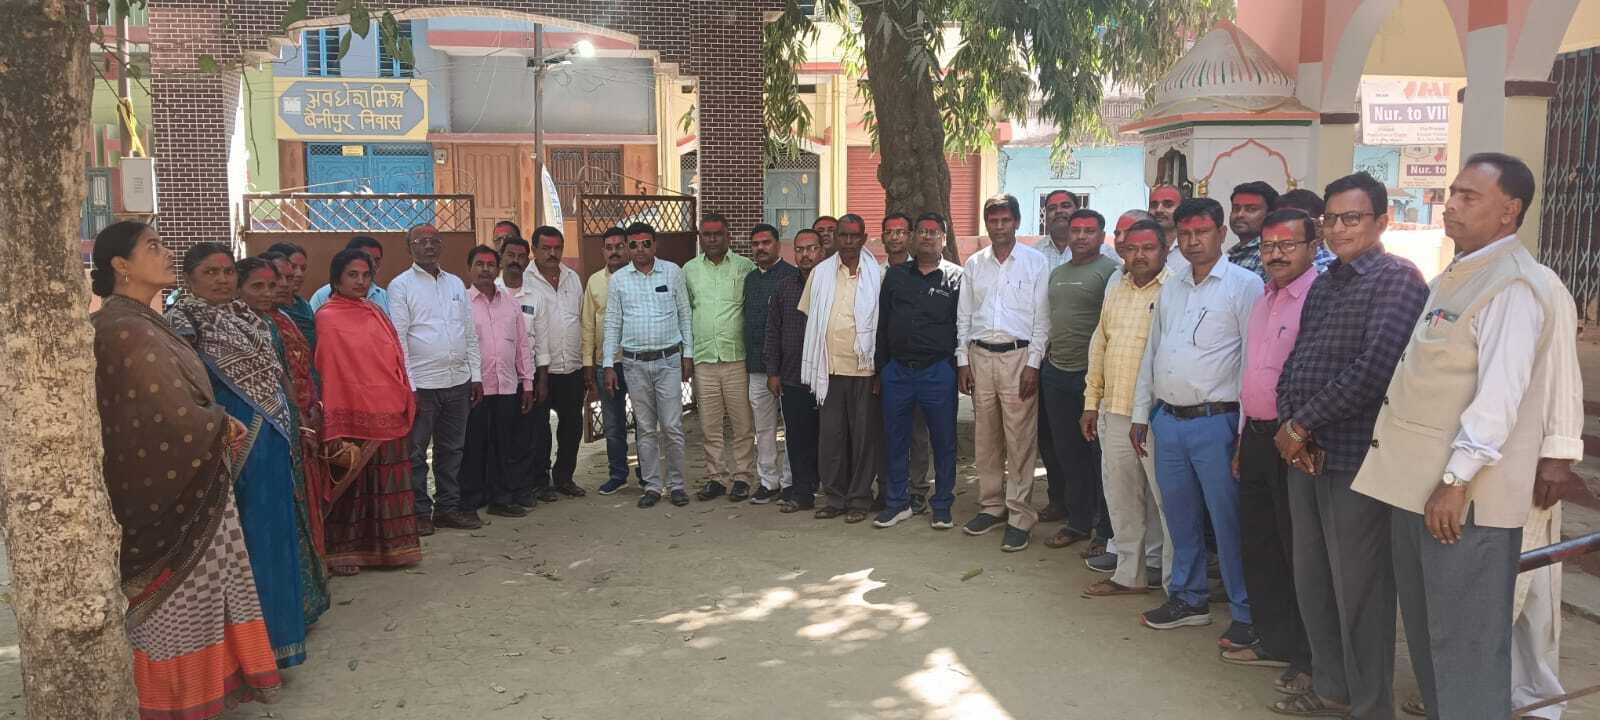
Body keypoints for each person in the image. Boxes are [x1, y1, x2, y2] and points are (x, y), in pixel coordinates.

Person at [1352, 153, 1581, 720]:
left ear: (1510, 210)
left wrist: (1456, 481)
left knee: (1466, 645)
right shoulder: (1457, 276)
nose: (1450, 205)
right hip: (1416, 489)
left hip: (1462, 501)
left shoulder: (1515, 286)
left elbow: (1499, 397)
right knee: (1431, 637)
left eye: (1468, 196)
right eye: (1452, 192)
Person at [90, 221, 282, 719]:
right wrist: (218, 423)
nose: (167, 252)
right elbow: (161, 414)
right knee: (179, 600)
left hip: (193, 476)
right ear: (121, 265)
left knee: (205, 594)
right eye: (153, 246)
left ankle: (201, 691)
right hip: (162, 490)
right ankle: (171, 699)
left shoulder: (144, 320)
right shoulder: (124, 328)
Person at [1269, 171, 1428, 718]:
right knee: (1313, 581)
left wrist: (1302, 424)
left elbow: (1376, 368)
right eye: (1330, 219)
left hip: (1358, 458)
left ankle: (1370, 704)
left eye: (1351, 218)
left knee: (1361, 590)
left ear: (1382, 221)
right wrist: (1291, 425)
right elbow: (1297, 361)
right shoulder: (1326, 282)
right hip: (1307, 456)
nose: (1338, 229)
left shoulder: (1396, 280)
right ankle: (1331, 687)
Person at [166, 245, 310, 668]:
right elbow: (185, 388)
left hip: (272, 437)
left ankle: (279, 644)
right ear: (189, 278)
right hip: (229, 442)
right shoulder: (183, 320)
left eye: (228, 271)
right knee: (237, 544)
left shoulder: (248, 317)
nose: (222, 279)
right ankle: (241, 656)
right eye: (210, 272)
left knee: (273, 537)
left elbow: (277, 376)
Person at [1130, 197, 1262, 644]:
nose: (1192, 241)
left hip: (1217, 422)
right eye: (1184, 234)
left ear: (1220, 234)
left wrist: (1243, 433)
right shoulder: (1173, 286)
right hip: (1169, 421)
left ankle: (1246, 611)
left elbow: (1251, 361)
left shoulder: (1244, 286)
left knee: (1228, 523)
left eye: (1201, 232)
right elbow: (1153, 351)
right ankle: (1188, 600)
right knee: (1179, 517)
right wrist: (1142, 413)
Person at [1223, 209, 1319, 690]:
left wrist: (1300, 432)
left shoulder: (1317, 298)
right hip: (1257, 435)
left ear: (1312, 247)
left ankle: (1310, 655)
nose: (1276, 254)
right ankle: (1274, 640)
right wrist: (1243, 439)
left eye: (1287, 244)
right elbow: (1252, 374)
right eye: (1268, 246)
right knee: (1260, 544)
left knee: (1297, 548)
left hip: (1295, 440)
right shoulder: (1264, 298)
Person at [316, 249, 422, 574]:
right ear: (336, 278)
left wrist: (402, 393)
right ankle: (345, 553)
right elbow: (330, 368)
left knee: (387, 482)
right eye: (352, 275)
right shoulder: (327, 317)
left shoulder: (374, 311)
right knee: (354, 487)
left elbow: (393, 358)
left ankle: (393, 550)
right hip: (350, 412)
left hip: (388, 406)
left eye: (365, 275)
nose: (360, 281)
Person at [238, 257, 331, 628]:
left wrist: (302, 415)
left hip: (288, 421)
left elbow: (289, 375)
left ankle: (300, 601)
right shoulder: (233, 326)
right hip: (251, 432)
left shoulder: (279, 322)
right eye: (257, 286)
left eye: (271, 285)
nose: (268, 292)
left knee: (297, 505)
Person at [1081, 220, 1171, 598]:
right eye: (1132, 248)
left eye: (1148, 248)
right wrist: (1091, 402)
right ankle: (1129, 574)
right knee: (1121, 495)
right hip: (1114, 409)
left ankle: (1174, 584)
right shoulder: (1115, 288)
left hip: (1156, 414)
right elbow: (1099, 346)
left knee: (1165, 501)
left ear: (1164, 250)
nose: (1139, 255)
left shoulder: (1174, 289)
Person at [957, 194, 1051, 552]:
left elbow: (1043, 319)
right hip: (980, 356)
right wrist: (962, 360)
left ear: (1017, 222)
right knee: (986, 438)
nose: (999, 227)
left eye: (1005, 220)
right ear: (987, 224)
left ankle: (1020, 514)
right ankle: (992, 505)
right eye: (993, 221)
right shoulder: (974, 264)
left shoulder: (1035, 262)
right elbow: (964, 316)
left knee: (1020, 439)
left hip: (1018, 357)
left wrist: (1033, 364)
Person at [388, 223, 483, 533]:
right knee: (416, 453)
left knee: (452, 450)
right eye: (421, 241)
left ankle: (447, 509)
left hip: (458, 381)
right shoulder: (400, 286)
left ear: (441, 245)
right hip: (423, 386)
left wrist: (476, 376)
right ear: (410, 248)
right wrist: (410, 386)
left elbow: (469, 333)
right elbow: (399, 339)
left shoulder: (455, 283)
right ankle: (419, 513)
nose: (428, 246)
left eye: (434, 241)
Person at [1038, 208, 1120, 556]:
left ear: (1102, 236)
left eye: (1089, 231)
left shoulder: (1111, 272)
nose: (1081, 236)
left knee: (1099, 456)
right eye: (1076, 231)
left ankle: (1105, 529)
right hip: (1057, 373)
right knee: (1067, 452)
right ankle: (1078, 521)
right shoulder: (1057, 274)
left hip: (1093, 379)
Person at [875, 212, 963, 529]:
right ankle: (897, 503)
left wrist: (958, 368)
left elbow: (963, 325)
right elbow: (883, 324)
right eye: (922, 231)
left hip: (937, 371)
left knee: (943, 440)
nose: (927, 236)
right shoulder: (896, 276)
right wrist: (881, 368)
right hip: (897, 371)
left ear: (944, 238)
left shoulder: (957, 278)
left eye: (934, 232)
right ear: (914, 237)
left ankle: (942, 505)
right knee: (895, 438)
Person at [799, 213, 883, 523]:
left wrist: (879, 370)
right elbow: (812, 318)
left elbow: (883, 325)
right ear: (835, 238)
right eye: (843, 236)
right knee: (831, 438)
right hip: (829, 370)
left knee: (863, 439)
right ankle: (835, 498)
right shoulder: (820, 274)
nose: (848, 241)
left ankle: (859, 498)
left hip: (864, 371)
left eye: (854, 236)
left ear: (864, 238)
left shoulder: (878, 274)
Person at [604, 222, 695, 509]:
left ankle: (677, 485)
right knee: (644, 428)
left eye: (646, 243)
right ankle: (653, 486)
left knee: (672, 426)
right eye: (633, 245)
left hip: (668, 361)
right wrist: (608, 364)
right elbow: (612, 323)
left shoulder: (672, 272)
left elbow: (684, 314)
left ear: (655, 245)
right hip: (634, 364)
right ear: (627, 248)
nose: (640, 249)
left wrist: (688, 354)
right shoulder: (619, 280)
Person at [263, 252, 336, 569]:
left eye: (290, 275)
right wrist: (297, 413)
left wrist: (315, 405)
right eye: (274, 279)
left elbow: (306, 366)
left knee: (309, 489)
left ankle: (314, 562)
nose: (286, 282)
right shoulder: (259, 324)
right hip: (278, 420)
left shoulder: (289, 315)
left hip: (306, 413)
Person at [684, 212, 759, 501]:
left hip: (736, 358)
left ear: (728, 236)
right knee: (710, 425)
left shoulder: (745, 267)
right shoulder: (689, 270)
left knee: (742, 424)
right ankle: (715, 477)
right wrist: (687, 355)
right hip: (704, 359)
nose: (712, 239)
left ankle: (742, 477)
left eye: (718, 234)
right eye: (707, 234)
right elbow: (686, 312)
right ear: (700, 237)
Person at [462, 245, 536, 518]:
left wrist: (527, 384)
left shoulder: (510, 303)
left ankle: (502, 498)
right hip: (475, 387)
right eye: (479, 264)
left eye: (490, 264)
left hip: (507, 386)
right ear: (469, 269)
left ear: (498, 268)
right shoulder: (461, 303)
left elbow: (522, 347)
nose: (485, 269)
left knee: (504, 445)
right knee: (474, 444)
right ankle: (470, 499)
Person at [878, 211, 934, 514]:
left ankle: (918, 489)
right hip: (889, 365)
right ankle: (889, 488)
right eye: (890, 232)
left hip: (922, 366)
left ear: (910, 236)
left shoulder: (922, 271)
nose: (895, 237)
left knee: (917, 432)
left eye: (901, 231)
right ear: (882, 237)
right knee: (889, 431)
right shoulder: (875, 273)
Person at [765, 229, 825, 513]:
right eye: (800, 249)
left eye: (811, 248)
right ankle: (802, 492)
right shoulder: (784, 288)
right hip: (793, 375)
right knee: (798, 438)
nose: (805, 255)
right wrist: (773, 372)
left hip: (828, 376)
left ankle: (835, 490)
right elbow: (773, 332)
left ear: (821, 251)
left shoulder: (832, 285)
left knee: (830, 436)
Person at [526, 226, 587, 500]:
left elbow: (581, 321)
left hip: (570, 367)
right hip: (539, 370)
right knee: (539, 430)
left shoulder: (572, 278)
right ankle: (540, 482)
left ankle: (564, 477)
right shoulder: (524, 280)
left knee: (572, 426)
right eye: (546, 248)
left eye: (557, 248)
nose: (552, 253)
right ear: (534, 250)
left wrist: (585, 365)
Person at [583, 227, 639, 495]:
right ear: (603, 251)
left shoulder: (639, 277)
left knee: (645, 422)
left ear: (627, 248)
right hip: (607, 364)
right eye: (609, 247)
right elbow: (587, 325)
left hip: (638, 361)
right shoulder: (594, 282)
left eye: (619, 246)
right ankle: (618, 475)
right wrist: (588, 364)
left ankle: (647, 474)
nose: (614, 251)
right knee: (613, 424)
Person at [744, 223, 797, 504]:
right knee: (763, 428)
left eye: (766, 242)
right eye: (755, 244)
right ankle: (768, 481)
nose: (760, 248)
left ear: (778, 245)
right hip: (756, 366)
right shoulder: (750, 279)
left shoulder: (792, 276)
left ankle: (790, 481)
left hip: (788, 368)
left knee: (791, 427)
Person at [495, 235, 544, 508]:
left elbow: (542, 341)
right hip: (495, 379)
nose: (515, 261)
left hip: (527, 378)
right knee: (499, 437)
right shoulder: (489, 292)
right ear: (501, 258)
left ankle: (523, 489)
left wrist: (540, 380)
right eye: (510, 255)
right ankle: (499, 492)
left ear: (528, 260)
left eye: (521, 256)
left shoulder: (535, 296)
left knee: (526, 437)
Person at [1227, 182, 1334, 281]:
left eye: (1251, 209)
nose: (1240, 215)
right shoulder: (1232, 254)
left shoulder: (1326, 273)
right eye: (1235, 209)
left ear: (1318, 228)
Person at [309, 235, 391, 314]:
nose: (373, 264)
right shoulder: (322, 296)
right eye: (366, 258)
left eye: (377, 260)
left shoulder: (383, 296)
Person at [266, 241, 317, 351]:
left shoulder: (304, 305)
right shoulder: (265, 310)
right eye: (293, 267)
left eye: (303, 268)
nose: (299, 274)